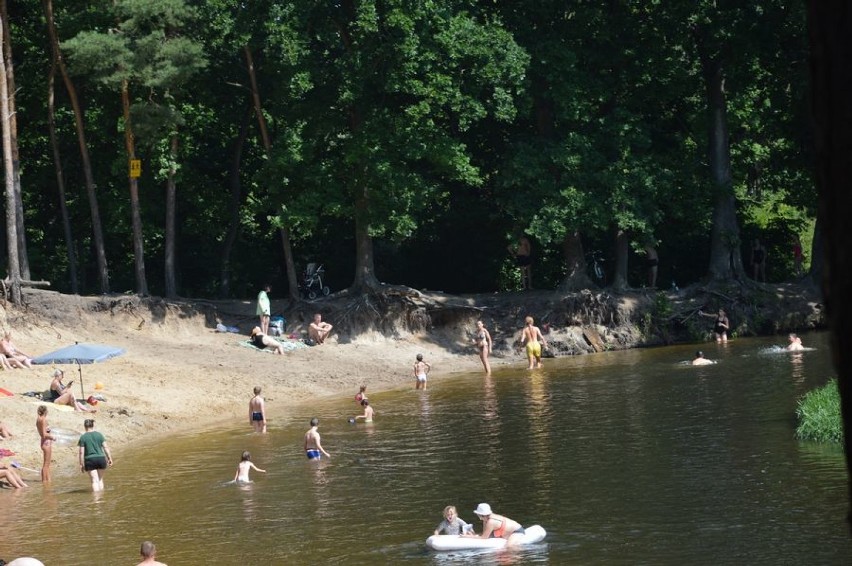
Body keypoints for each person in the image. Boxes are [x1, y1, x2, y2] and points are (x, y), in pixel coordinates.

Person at [78, 418, 113, 492]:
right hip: (101, 458)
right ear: (92, 426)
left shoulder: (83, 437)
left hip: (89, 460)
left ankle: (97, 501)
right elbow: (105, 447)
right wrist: (109, 458)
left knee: (94, 481)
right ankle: (101, 499)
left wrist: (81, 464)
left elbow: (81, 452)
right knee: (100, 479)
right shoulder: (99, 435)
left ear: (85, 427)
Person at [36, 405, 55, 482]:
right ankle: (44, 482)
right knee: (46, 464)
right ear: (45, 411)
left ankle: (48, 482)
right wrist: (52, 437)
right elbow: (44, 434)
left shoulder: (38, 419)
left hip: (43, 442)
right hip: (46, 442)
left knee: (47, 464)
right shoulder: (43, 420)